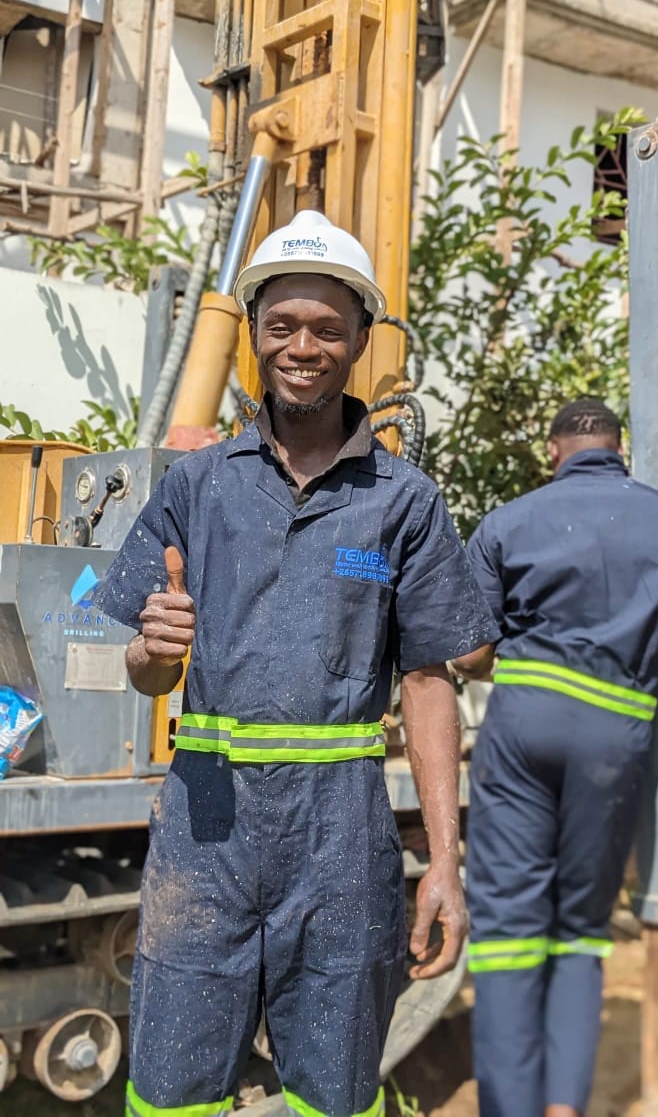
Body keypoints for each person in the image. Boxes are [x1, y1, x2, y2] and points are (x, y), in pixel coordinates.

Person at [96, 208, 499, 1117]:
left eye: (326, 328)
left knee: (337, 1087)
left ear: (359, 340)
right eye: (281, 326)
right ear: (254, 337)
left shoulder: (404, 501)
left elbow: (432, 679)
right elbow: (146, 671)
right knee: (170, 1084)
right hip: (205, 828)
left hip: (342, 839)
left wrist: (443, 861)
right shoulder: (197, 485)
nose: (302, 347)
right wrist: (152, 651)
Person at [453, 397, 658, 1117]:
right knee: (579, 929)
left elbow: (470, 652)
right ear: (619, 447)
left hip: (523, 729)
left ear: (553, 452)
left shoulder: (508, 522)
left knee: (508, 929)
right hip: (616, 732)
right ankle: (566, 1107)